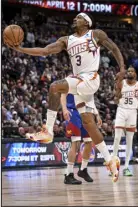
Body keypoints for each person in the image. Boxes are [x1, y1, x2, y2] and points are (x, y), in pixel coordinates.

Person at [6, 13, 125, 182]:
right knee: (89, 125)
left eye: (79, 17)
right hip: (80, 84)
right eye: (75, 17)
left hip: (90, 78)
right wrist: (20, 49)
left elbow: (114, 48)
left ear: (87, 22)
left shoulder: (95, 34)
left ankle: (47, 131)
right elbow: (45, 51)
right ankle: (110, 160)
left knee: (55, 87)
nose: (75, 19)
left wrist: (121, 69)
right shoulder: (66, 40)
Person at [61, 92, 102, 184]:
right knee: (76, 142)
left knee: (89, 142)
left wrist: (96, 114)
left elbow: (90, 99)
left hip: (85, 112)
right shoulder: (71, 78)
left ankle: (83, 169)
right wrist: (64, 109)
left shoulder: (88, 81)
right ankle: (69, 174)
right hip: (73, 112)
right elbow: (63, 95)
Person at [112, 66, 138, 176]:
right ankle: (113, 165)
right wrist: (116, 96)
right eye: (128, 71)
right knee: (117, 138)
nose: (130, 72)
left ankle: (126, 167)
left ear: (135, 74)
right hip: (121, 110)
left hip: (132, 112)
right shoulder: (122, 83)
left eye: (132, 71)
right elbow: (116, 95)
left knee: (129, 140)